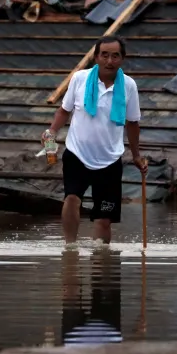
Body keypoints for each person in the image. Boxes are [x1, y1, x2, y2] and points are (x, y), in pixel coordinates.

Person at [44, 35, 147, 246]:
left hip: (110, 159)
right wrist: (52, 131)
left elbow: (132, 123)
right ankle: (70, 249)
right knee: (71, 198)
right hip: (77, 153)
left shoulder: (128, 86)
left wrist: (136, 155)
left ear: (122, 59)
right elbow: (64, 111)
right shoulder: (79, 79)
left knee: (104, 219)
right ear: (96, 57)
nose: (109, 61)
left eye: (115, 56)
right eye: (104, 55)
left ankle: (101, 259)